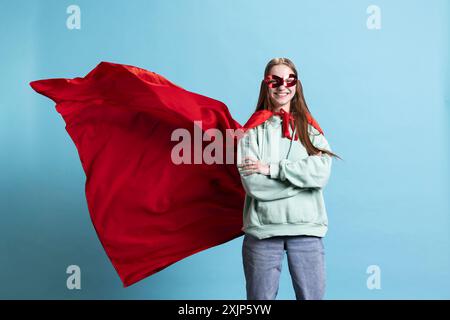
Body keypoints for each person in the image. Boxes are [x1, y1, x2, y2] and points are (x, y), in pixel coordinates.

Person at [236, 57, 341, 300]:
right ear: (266, 85)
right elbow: (254, 186)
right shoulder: (251, 132)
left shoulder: (310, 129)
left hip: (306, 231)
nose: (283, 86)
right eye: (275, 80)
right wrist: (303, 182)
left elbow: (321, 174)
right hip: (263, 232)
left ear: (297, 85)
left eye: (289, 80)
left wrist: (272, 169)